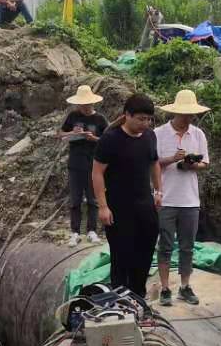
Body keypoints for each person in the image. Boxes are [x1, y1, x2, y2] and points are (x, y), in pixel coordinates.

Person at [92, 94, 161, 299]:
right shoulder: (111, 139)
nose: (145, 123)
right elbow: (97, 172)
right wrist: (103, 206)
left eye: (148, 119)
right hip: (119, 207)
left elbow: (154, 163)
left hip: (145, 204)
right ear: (127, 115)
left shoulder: (150, 136)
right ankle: (119, 298)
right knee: (122, 254)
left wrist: (158, 191)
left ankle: (138, 296)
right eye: (140, 119)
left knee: (145, 250)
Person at [153, 88, 211, 307]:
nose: (188, 117)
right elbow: (152, 163)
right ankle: (165, 287)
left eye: (191, 114)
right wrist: (172, 159)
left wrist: (191, 165)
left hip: (190, 200)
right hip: (166, 198)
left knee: (188, 246)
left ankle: (185, 286)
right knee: (165, 246)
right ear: (175, 112)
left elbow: (205, 163)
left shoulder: (198, 134)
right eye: (184, 113)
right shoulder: (159, 133)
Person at [58, 86, 106, 246]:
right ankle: (75, 232)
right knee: (75, 200)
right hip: (75, 163)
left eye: (87, 104)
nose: (84, 107)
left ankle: (92, 231)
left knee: (93, 199)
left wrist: (94, 139)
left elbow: (108, 141)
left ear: (92, 103)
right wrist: (73, 133)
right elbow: (60, 134)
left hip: (94, 165)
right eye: (81, 104)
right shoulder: (73, 116)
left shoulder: (100, 119)